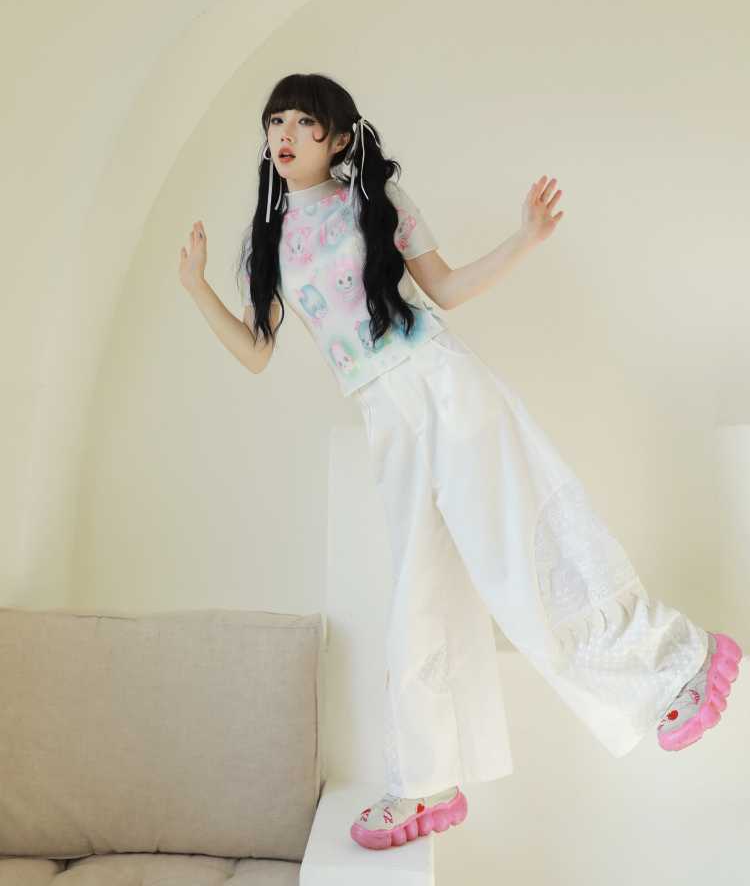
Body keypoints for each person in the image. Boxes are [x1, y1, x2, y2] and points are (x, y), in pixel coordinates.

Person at [179, 72, 743, 853]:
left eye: (305, 122)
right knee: (418, 595)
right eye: (276, 121)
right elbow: (255, 351)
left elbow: (444, 286)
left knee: (518, 558)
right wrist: (195, 287)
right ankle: (426, 781)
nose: (285, 134)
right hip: (384, 413)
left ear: (338, 139)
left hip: (442, 383)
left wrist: (526, 238)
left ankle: (679, 660)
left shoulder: (376, 201)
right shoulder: (268, 241)